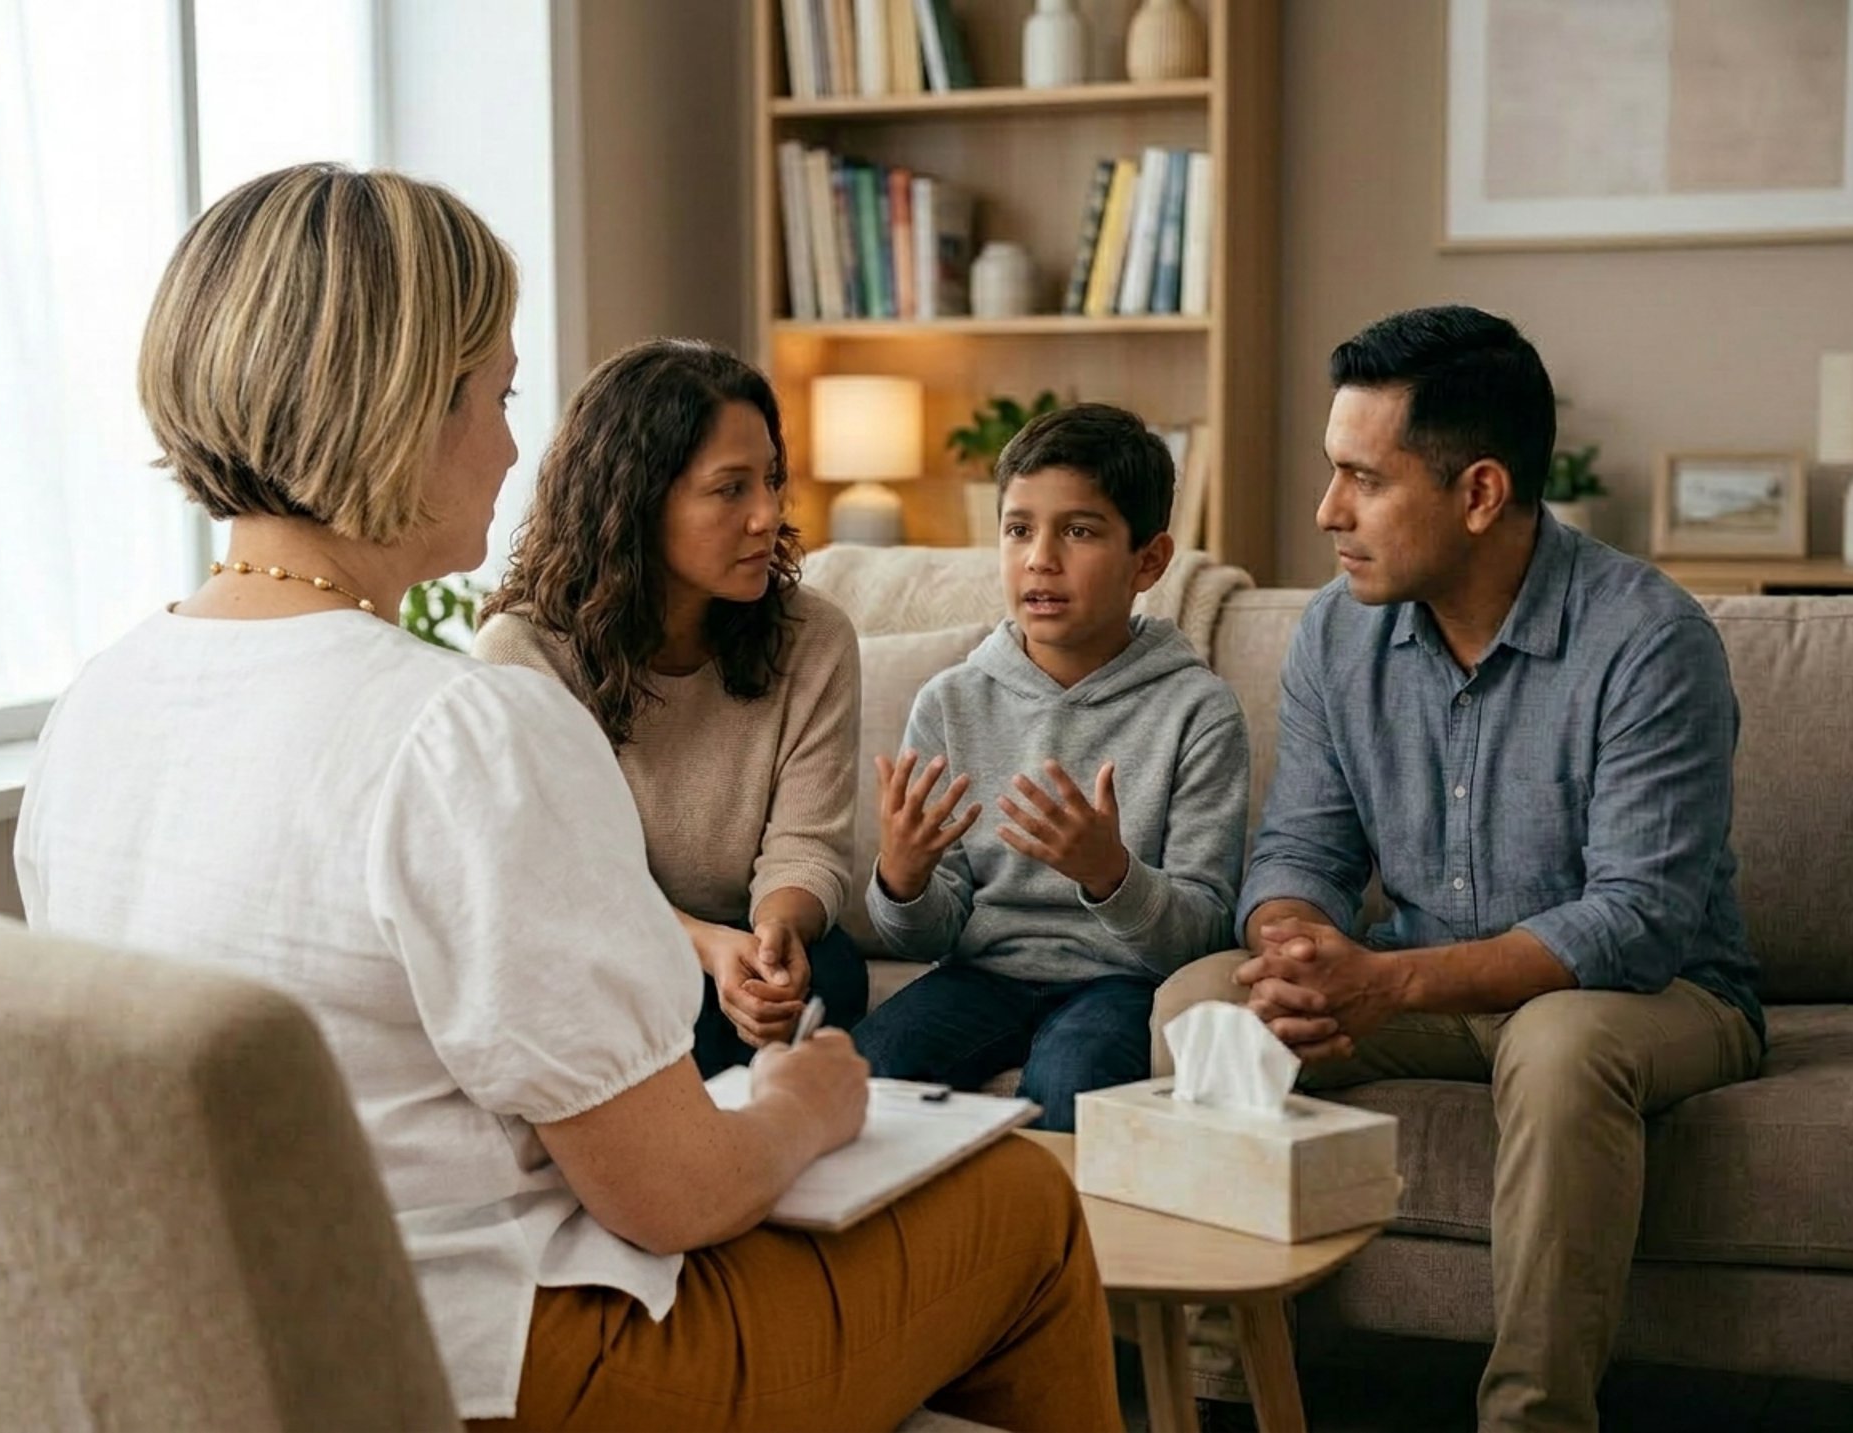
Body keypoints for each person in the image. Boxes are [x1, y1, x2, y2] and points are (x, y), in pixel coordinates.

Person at [14, 162, 1120, 1432]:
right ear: (400, 412)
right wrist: (803, 1105)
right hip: (501, 1362)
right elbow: (674, 1196)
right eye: (497, 393)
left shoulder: (102, 700)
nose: (507, 444)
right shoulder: (463, 727)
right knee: (1027, 1205)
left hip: (227, 1352)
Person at [1154, 305, 1763, 1432]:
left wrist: (1384, 982)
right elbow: (1301, 847)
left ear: (1479, 493)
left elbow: (1636, 919)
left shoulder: (1647, 638)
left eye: (1361, 478)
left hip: (1656, 995)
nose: (1326, 511)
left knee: (1561, 1035)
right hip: (1428, 981)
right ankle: (1224, 1398)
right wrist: (1295, 946)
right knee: (1204, 1002)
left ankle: (1532, 1419)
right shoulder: (1340, 632)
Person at [473, 339, 867, 1076]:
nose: (766, 515)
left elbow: (808, 844)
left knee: (830, 971)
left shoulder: (814, 638)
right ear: (637, 498)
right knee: (665, 997)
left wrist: (774, 935)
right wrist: (706, 949)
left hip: (745, 930)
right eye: (730, 489)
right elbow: (563, 883)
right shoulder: (523, 651)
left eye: (770, 481)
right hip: (604, 944)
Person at [853, 403, 1250, 1132]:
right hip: (981, 975)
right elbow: (926, 936)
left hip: (1122, 984)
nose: (1040, 556)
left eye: (1079, 530)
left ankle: (1057, 1247)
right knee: (863, 1076)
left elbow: (1206, 934)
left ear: (1150, 561)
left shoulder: (1199, 712)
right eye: (1019, 529)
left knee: (1074, 1081)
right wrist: (903, 881)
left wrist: (1111, 875)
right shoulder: (951, 702)